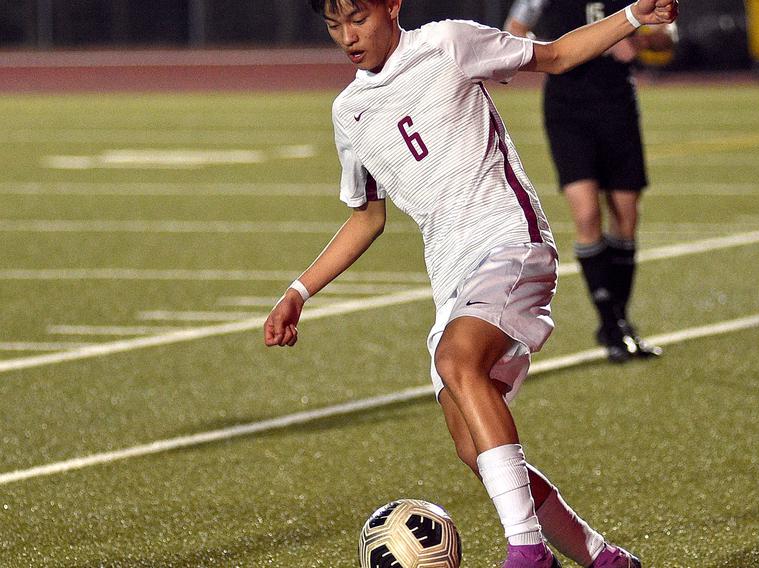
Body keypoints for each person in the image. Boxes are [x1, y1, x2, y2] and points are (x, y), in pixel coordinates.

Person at [264, 0, 677, 566]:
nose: (347, 36)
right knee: (472, 444)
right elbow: (368, 217)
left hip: (511, 241)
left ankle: (527, 552)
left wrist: (633, 15)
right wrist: (298, 291)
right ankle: (604, 559)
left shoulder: (448, 44)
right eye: (334, 26)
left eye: (357, 18)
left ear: (391, 6)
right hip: (453, 276)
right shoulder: (349, 112)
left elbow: (555, 56)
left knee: (459, 361)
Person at [506, 0, 677, 363]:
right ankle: (611, 325)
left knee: (626, 217)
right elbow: (514, 33)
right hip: (567, 107)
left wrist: (642, 41)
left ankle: (618, 320)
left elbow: (667, 34)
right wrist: (556, 52)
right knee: (586, 217)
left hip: (617, 103)